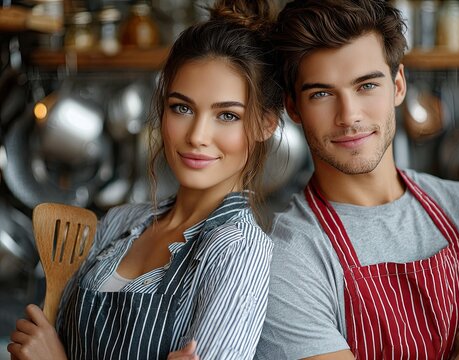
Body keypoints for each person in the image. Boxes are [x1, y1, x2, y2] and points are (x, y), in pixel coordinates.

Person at [8, 1, 283, 359]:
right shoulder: (121, 222)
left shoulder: (239, 251)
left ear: (266, 124)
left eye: (227, 115)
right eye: (181, 108)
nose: (197, 135)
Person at [254, 0, 459, 359]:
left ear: (398, 85)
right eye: (322, 94)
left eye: (367, 86)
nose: (349, 116)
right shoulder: (286, 261)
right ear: (293, 107)